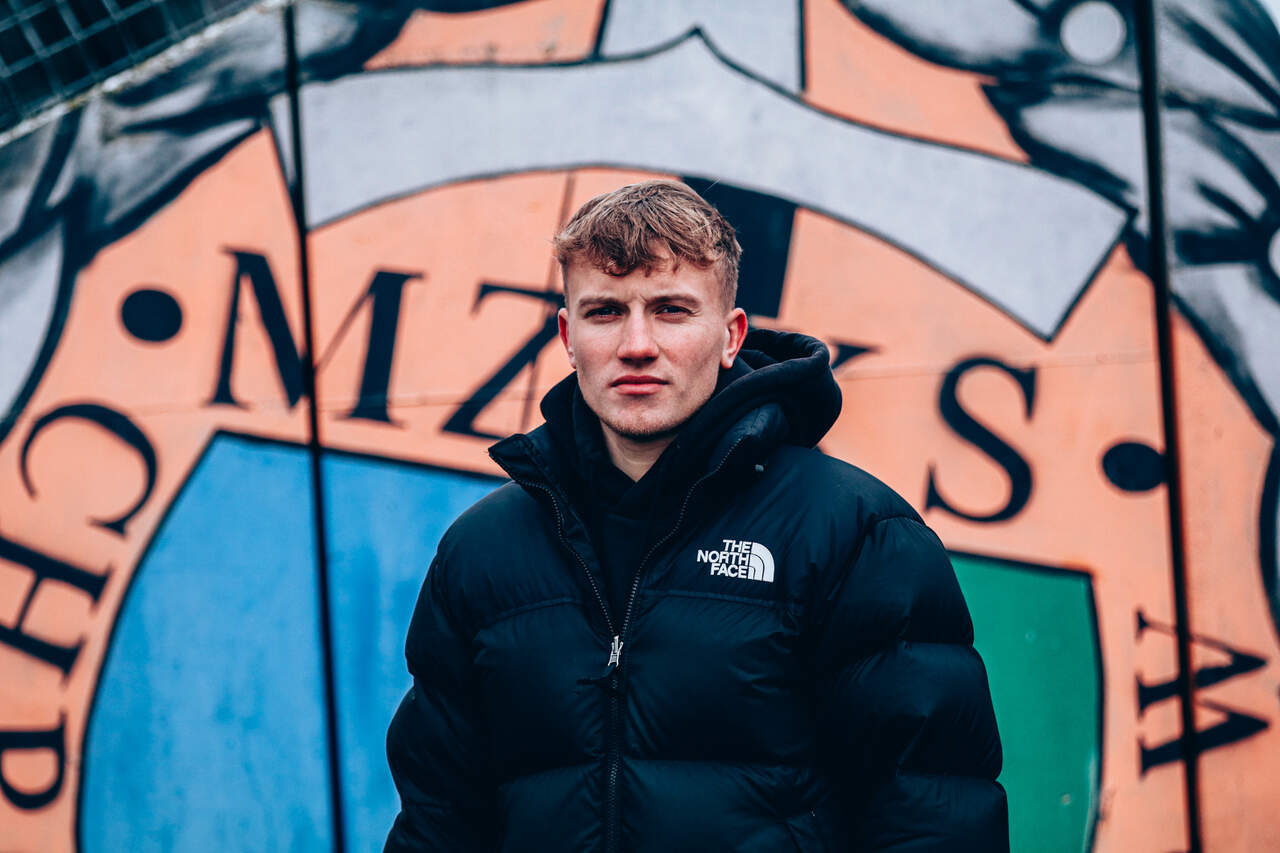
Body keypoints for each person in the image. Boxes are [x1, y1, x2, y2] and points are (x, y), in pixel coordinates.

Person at [384, 180, 1008, 852]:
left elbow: (933, 818)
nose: (637, 344)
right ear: (567, 336)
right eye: (604, 312)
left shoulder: (854, 533)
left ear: (730, 335)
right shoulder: (483, 551)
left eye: (672, 311)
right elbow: (437, 825)